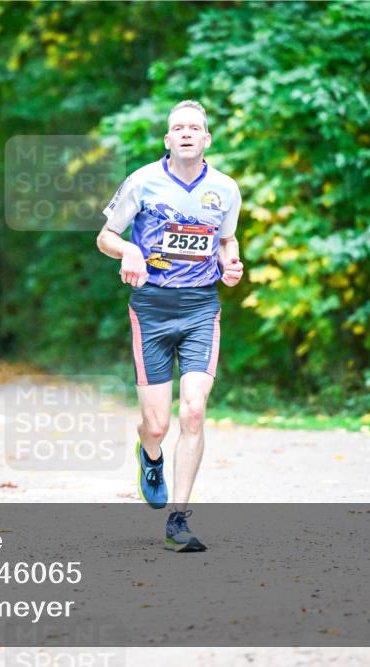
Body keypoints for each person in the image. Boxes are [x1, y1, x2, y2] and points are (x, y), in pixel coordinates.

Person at [96, 100, 244, 552]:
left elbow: (227, 239)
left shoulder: (225, 189)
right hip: (151, 308)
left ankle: (178, 519)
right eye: (177, 128)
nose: (186, 133)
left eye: (194, 128)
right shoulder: (142, 181)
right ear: (167, 139)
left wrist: (231, 262)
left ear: (206, 139)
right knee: (157, 425)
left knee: (194, 411)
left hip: (201, 306)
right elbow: (105, 236)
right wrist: (129, 251)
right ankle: (150, 454)